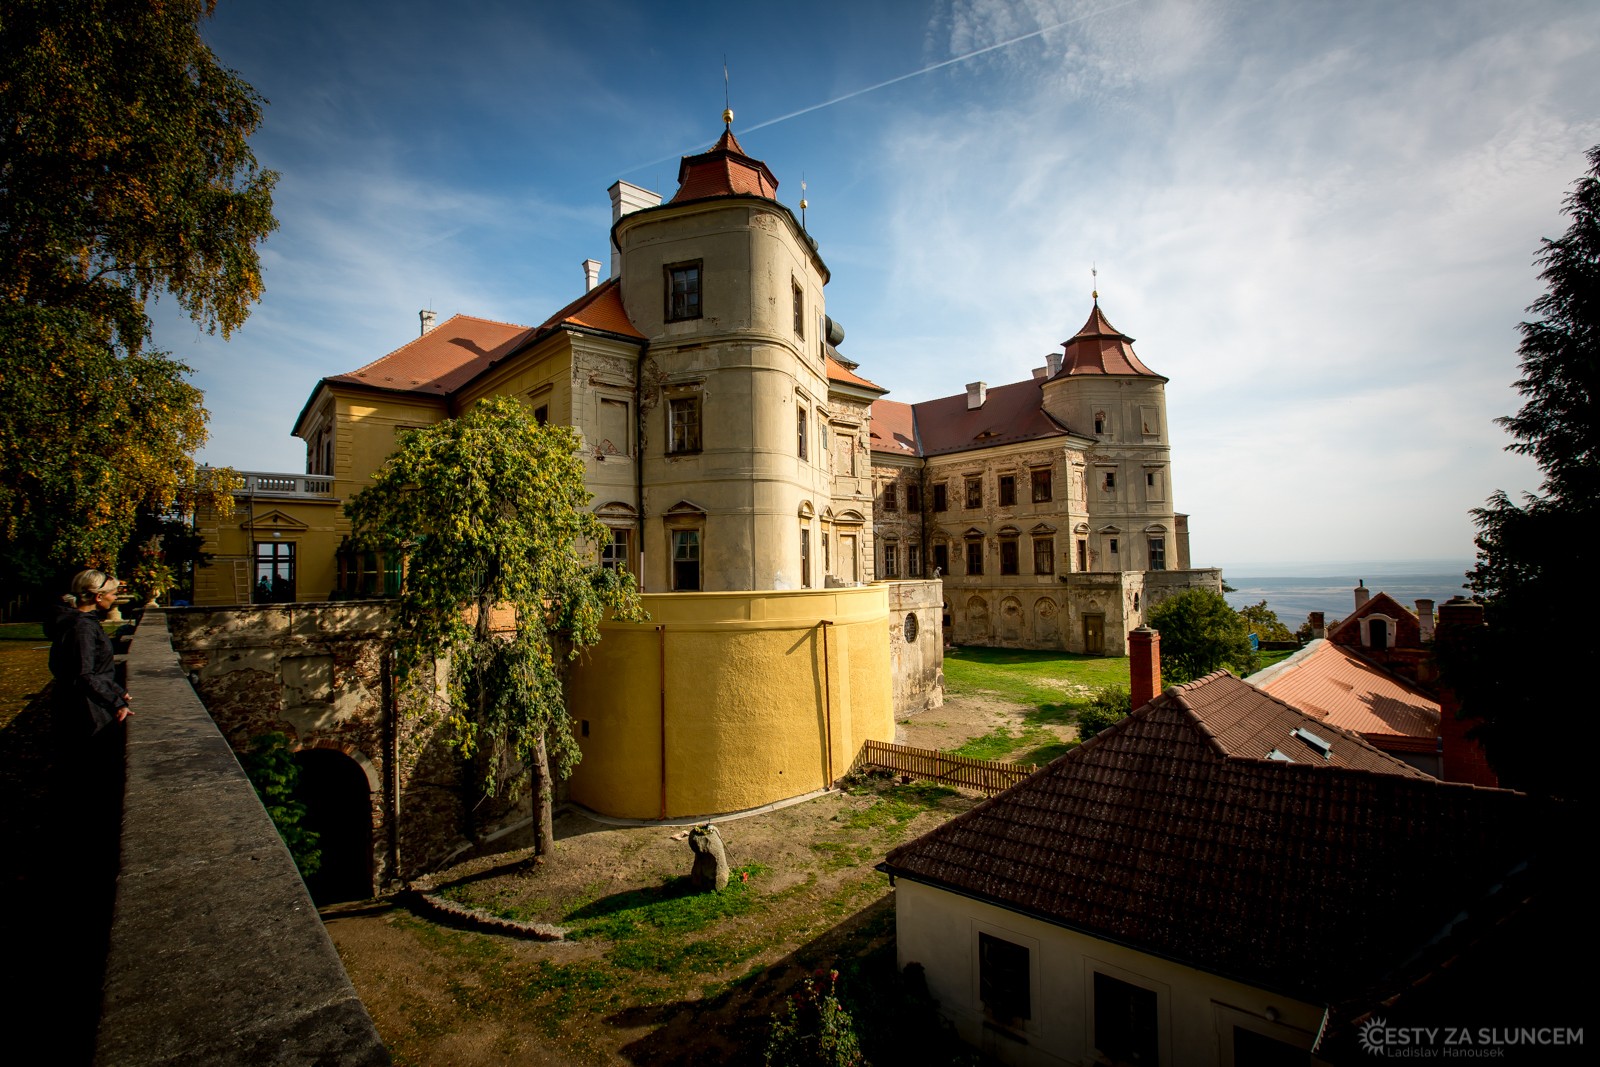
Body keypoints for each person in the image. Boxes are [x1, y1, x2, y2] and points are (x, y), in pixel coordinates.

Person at [47, 569, 133, 739]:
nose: (115, 598)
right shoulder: (82, 627)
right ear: (98, 596)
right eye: (113, 593)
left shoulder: (82, 622)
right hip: (86, 710)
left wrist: (116, 689)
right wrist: (116, 703)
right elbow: (84, 674)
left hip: (84, 703)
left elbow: (95, 667)